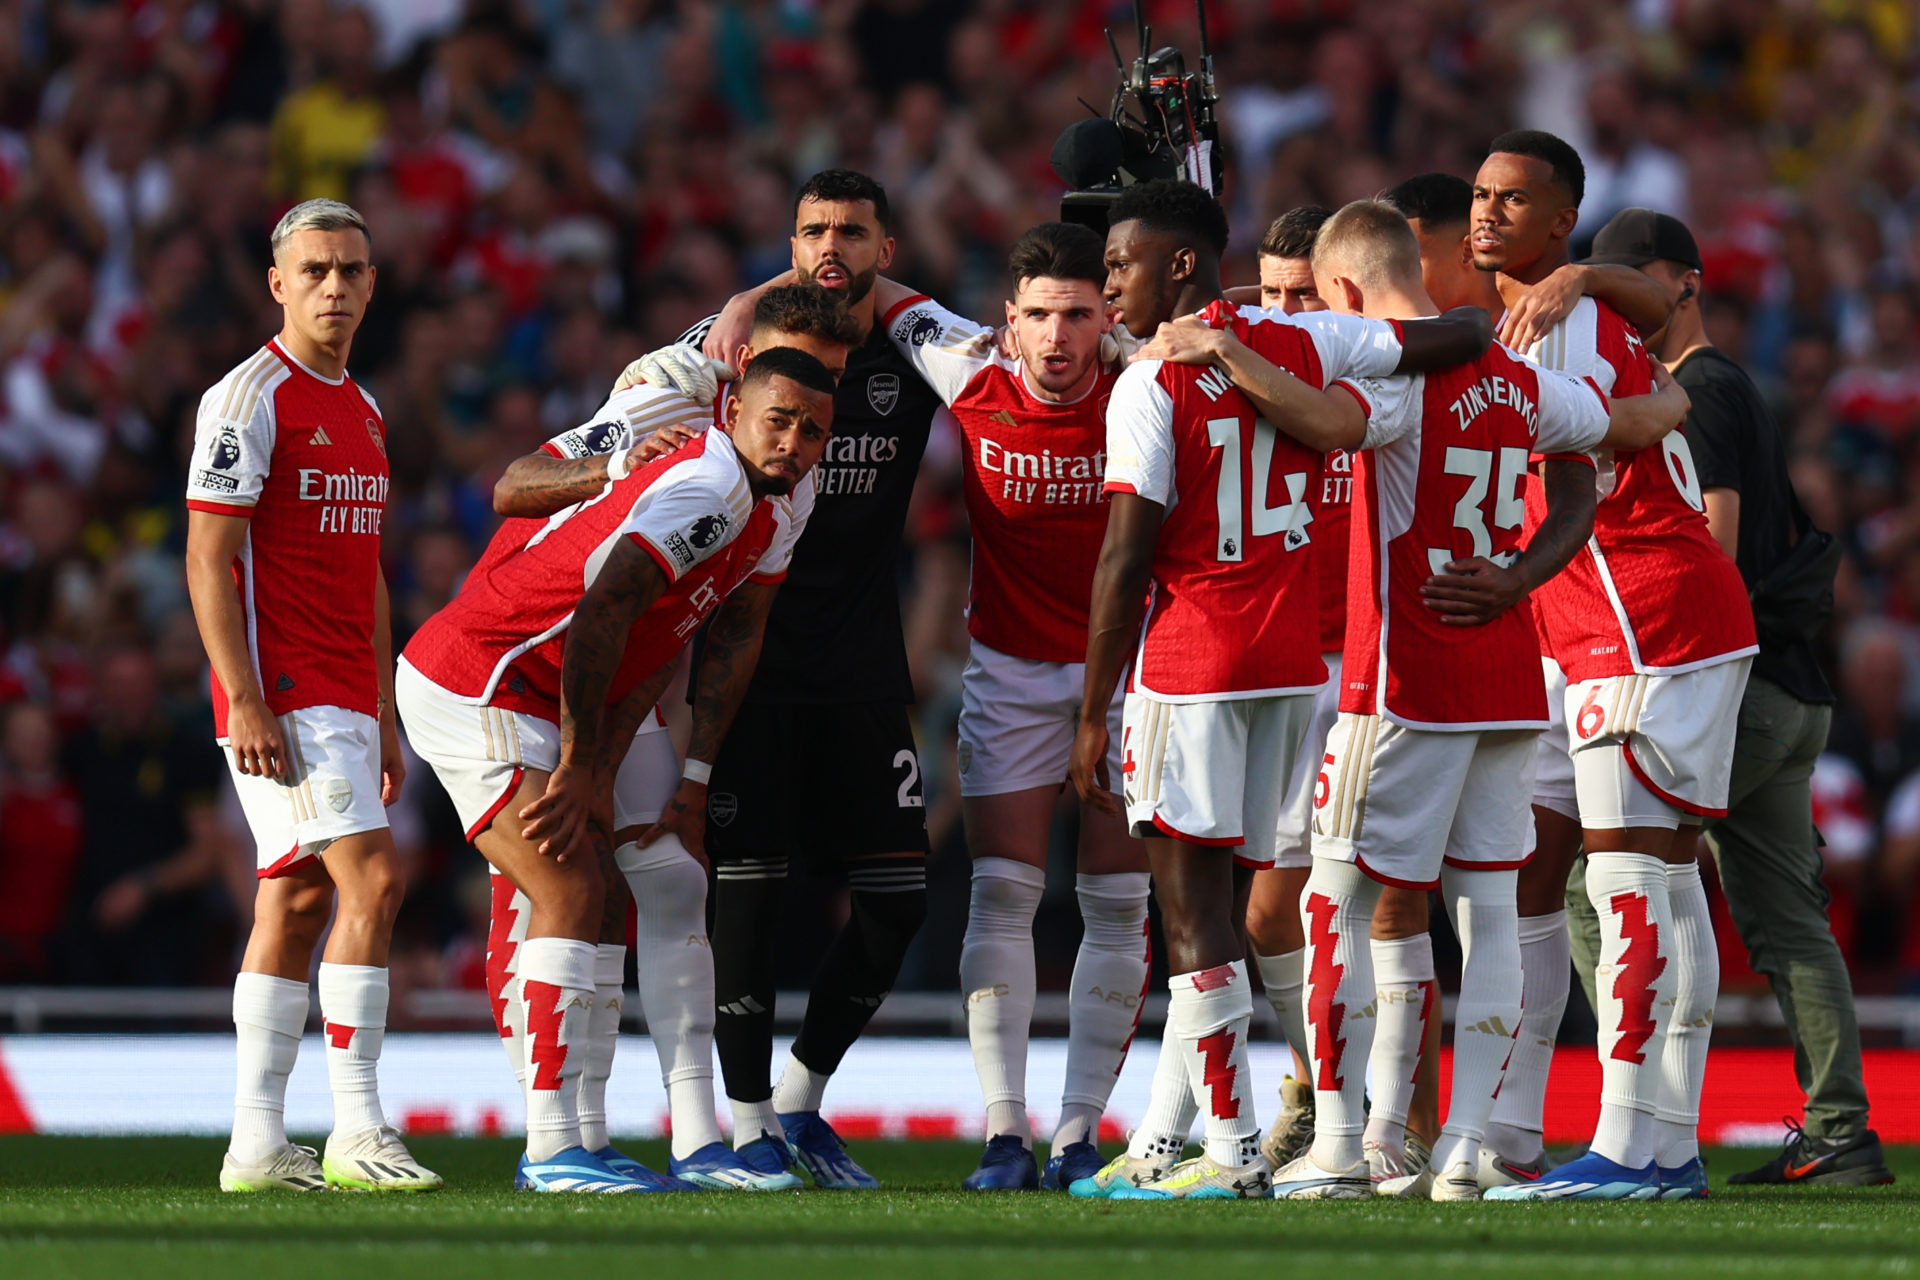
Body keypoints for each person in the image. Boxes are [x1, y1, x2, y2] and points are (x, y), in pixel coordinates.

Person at [1215, 199, 1687, 1200]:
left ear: (1343, 291)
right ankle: (1470, 1145)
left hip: (1404, 683)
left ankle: (1340, 1142)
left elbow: (1319, 420)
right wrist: (1522, 573)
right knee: (1486, 908)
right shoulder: (1520, 379)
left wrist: (1223, 350)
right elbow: (1623, 436)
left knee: (1329, 897)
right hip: (1510, 679)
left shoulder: (1389, 380)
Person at [1066, 178, 1492, 1201]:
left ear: (1177, 264)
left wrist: (1093, 706)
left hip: (1194, 661)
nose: (1107, 280)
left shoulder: (1147, 384)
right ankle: (1204, 1137)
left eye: (1120, 262)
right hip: (1293, 668)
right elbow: (1458, 336)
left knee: (1195, 915)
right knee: (1261, 908)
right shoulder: (1308, 345)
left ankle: (1236, 1146)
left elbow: (1126, 558)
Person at [397, 347, 833, 1193]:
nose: (792, 441)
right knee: (565, 888)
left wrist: (604, 761)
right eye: (777, 419)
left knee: (597, 894)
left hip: (537, 686)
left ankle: (585, 1143)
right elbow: (601, 609)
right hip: (479, 678)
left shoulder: (779, 502)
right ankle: (552, 1149)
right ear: (733, 397)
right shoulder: (700, 479)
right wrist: (576, 759)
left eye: (812, 430)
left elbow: (660, 643)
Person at [1462, 132, 1757, 1203]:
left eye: (1516, 199)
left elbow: (1586, 468)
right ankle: (1663, 1142)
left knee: (1633, 881)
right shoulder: (1551, 312)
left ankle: (1630, 1147)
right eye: (1482, 195)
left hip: (1638, 616)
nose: (1488, 213)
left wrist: (1510, 580)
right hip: (1650, 617)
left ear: (1561, 219)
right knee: (1661, 880)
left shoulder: (1561, 317)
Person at [1573, 207, 1892, 1188]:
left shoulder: (1694, 390)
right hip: (1789, 691)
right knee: (1780, 914)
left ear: (1686, 281)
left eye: (1636, 280)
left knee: (1610, 883)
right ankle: (1840, 1129)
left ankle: (1648, 1114)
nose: (1621, 301)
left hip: (1728, 685)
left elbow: (1708, 540)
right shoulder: (1725, 387)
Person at [864, 223, 1150, 1191]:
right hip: (1011, 668)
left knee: (1116, 901)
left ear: (1107, 316)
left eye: (1078, 314)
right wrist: (742, 305)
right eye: (1040, 315)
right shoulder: (967, 367)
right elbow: (869, 281)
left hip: (1132, 670)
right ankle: (1005, 1132)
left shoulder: (1151, 375)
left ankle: (1079, 1130)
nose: (1059, 336)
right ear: (1007, 322)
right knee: (1004, 891)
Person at [692, 171, 944, 1190]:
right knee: (748, 900)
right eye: (812, 230)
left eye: (851, 230)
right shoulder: (731, 350)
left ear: (888, 245)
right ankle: (748, 1121)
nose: (830, 246)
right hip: (747, 664)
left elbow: (1003, 347)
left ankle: (800, 1098)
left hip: (863, 665)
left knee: (899, 899)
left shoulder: (919, 349)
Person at [184, 198, 440, 1193]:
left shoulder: (364, 408)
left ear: (373, 283)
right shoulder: (248, 397)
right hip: (283, 688)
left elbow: (369, 571)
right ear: (278, 283)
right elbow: (208, 557)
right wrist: (243, 696)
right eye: (317, 269)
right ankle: (359, 1125)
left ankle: (255, 1144)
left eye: (352, 270)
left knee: (293, 898)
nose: (336, 285)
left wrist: (381, 703)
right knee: (371, 882)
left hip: (342, 691)